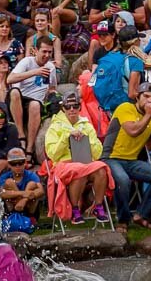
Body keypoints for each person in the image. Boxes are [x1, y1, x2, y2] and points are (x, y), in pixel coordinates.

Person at [44, 91, 114, 224]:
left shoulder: (86, 125)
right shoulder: (54, 127)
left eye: (75, 106)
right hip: (63, 165)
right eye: (68, 106)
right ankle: (75, 210)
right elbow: (53, 155)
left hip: (85, 161)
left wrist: (86, 140)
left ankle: (98, 206)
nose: (72, 109)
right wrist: (66, 138)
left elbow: (98, 153)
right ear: (63, 108)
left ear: (79, 107)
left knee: (101, 168)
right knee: (80, 171)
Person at [105, 83, 151, 230]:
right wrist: (149, 115)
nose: (149, 101)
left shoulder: (150, 121)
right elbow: (132, 131)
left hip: (131, 161)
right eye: (146, 96)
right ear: (137, 97)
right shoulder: (126, 108)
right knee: (123, 180)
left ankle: (141, 214)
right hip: (110, 158)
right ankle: (123, 220)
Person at [93, 26, 145, 114]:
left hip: (109, 108)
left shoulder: (110, 56)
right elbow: (132, 93)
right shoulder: (136, 61)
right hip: (126, 107)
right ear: (136, 41)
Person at [0, 148, 45, 216]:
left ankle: (30, 216)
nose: (17, 166)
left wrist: (24, 200)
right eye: (13, 163)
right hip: (12, 208)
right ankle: (13, 215)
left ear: (25, 162)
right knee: (9, 182)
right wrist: (23, 193)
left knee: (32, 184)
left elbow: (41, 191)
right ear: (9, 165)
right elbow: (2, 193)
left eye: (20, 162)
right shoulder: (4, 176)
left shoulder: (31, 175)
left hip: (29, 208)